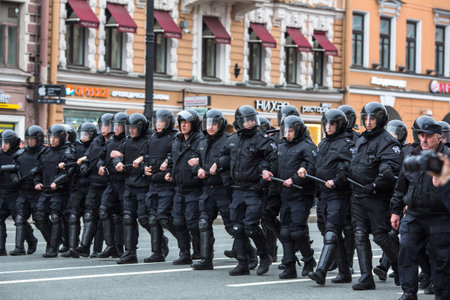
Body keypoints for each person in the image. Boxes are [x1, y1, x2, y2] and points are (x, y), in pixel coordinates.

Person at [391, 120, 450, 300]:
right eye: (421, 135)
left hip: (440, 217)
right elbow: (401, 187)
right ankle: (409, 292)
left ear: (439, 138)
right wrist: (395, 210)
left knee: (441, 260)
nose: (423, 139)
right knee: (406, 252)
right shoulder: (412, 157)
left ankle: (442, 294)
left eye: (428, 136)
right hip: (414, 214)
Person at [349, 102, 402, 290]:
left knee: (380, 235)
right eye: (366, 118)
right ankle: (365, 277)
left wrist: (376, 183)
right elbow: (353, 163)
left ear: (380, 120)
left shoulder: (388, 142)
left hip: (377, 197)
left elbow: (390, 167)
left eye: (372, 118)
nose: (368, 122)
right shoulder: (361, 139)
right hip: (358, 195)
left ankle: (398, 267)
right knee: (360, 234)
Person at [221, 105, 277, 276]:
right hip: (237, 189)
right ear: (238, 122)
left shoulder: (263, 140)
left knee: (251, 226)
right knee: (237, 228)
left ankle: (264, 256)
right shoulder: (232, 140)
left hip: (255, 189)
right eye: (246, 121)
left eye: (252, 120)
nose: (250, 123)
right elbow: (222, 160)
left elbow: (273, 161)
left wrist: (262, 181)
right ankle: (242, 262)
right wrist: (226, 180)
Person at [306, 109, 353, 285]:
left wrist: (336, 180)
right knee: (330, 232)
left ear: (339, 125)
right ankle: (344, 271)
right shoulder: (324, 143)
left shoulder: (346, 144)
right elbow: (318, 165)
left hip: (338, 194)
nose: (328, 127)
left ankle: (321, 271)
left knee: (332, 231)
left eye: (332, 124)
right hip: (323, 195)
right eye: (326, 123)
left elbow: (348, 169)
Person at [273, 115, 318, 279]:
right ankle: (289, 266)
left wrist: (296, 178)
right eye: (286, 131)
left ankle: (308, 260)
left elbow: (312, 167)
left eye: (290, 131)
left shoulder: (307, 146)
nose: (287, 134)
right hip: (285, 194)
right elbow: (275, 163)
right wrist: (267, 170)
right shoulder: (283, 146)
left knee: (297, 232)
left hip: (301, 194)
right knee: (284, 232)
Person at [191, 110, 233, 270]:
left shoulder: (228, 140)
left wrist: (220, 163)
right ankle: (206, 259)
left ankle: (248, 253)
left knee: (231, 225)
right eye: (208, 123)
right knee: (203, 222)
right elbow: (194, 160)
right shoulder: (202, 141)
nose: (210, 127)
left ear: (221, 124)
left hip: (223, 188)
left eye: (214, 124)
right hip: (208, 187)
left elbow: (232, 158)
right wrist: (197, 169)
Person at [134, 109, 177, 263]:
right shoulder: (152, 138)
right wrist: (144, 167)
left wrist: (168, 164)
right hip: (153, 184)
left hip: (166, 184)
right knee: (152, 219)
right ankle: (157, 252)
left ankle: (186, 242)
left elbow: (176, 155)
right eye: (157, 122)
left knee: (163, 217)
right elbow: (145, 156)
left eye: (161, 122)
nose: (158, 125)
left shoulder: (174, 136)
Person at [165, 110, 204, 265]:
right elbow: (173, 161)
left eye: (186, 122)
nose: (183, 125)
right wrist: (169, 172)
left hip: (194, 187)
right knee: (178, 222)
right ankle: (184, 253)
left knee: (193, 222)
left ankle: (200, 251)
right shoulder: (177, 140)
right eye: (181, 123)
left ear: (193, 124)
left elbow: (204, 160)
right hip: (179, 187)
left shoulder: (200, 140)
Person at [113, 113, 151, 264]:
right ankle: (130, 252)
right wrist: (117, 162)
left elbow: (152, 154)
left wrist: (141, 159)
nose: (132, 131)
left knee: (144, 218)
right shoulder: (127, 141)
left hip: (143, 184)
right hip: (129, 183)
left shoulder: (149, 139)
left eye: (134, 128)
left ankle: (160, 243)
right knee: (128, 218)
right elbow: (117, 154)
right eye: (130, 128)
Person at [34, 124, 76, 257]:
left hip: (59, 191)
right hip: (45, 190)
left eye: (56, 138)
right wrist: (37, 182)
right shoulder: (45, 152)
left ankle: (52, 248)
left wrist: (57, 182)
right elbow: (38, 170)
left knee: (56, 217)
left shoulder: (68, 151)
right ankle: (54, 241)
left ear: (62, 138)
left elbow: (70, 171)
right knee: (39, 218)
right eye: (51, 137)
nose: (52, 140)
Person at [97, 112, 128, 258]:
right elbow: (101, 158)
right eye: (114, 125)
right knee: (104, 210)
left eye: (119, 125)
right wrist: (101, 166)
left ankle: (122, 247)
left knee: (123, 216)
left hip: (124, 183)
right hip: (111, 182)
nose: (116, 128)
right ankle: (110, 245)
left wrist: (122, 158)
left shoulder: (128, 141)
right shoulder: (110, 141)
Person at [9, 126, 44, 256]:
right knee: (19, 218)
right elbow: (14, 169)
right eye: (29, 139)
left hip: (38, 191)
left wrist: (38, 170)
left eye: (33, 139)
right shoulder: (20, 154)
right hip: (23, 190)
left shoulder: (44, 153)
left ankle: (54, 243)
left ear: (39, 139)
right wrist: (14, 178)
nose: (31, 141)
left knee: (40, 219)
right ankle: (20, 247)